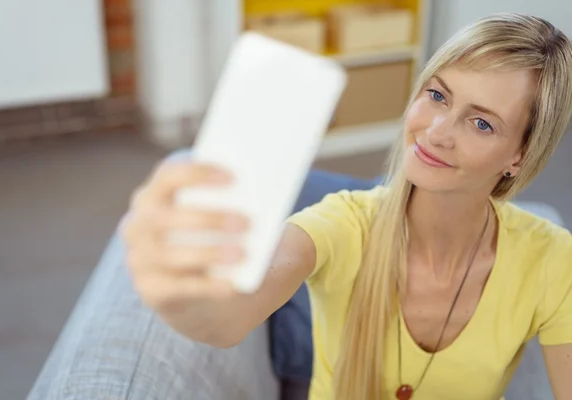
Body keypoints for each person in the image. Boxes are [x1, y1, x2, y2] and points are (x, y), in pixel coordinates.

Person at [121, 13, 572, 400]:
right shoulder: (340, 224)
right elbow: (224, 322)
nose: (436, 132)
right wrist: (171, 290)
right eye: (437, 95)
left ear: (520, 155)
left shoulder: (551, 260)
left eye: (480, 123)